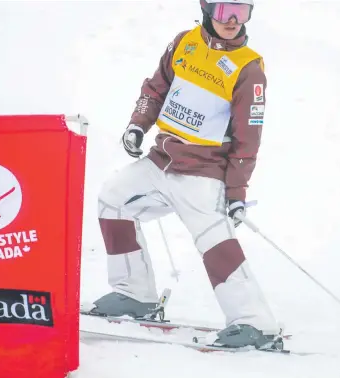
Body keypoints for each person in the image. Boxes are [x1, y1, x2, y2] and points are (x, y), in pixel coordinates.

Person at [90, 0, 281, 349]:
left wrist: (236, 193)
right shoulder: (184, 42)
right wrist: (138, 125)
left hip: (203, 172)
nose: (234, 21)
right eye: (226, 11)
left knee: (214, 241)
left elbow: (248, 138)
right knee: (113, 200)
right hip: (161, 160)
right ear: (208, 10)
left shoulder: (248, 68)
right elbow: (156, 88)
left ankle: (255, 324)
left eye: (242, 12)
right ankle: (135, 294)